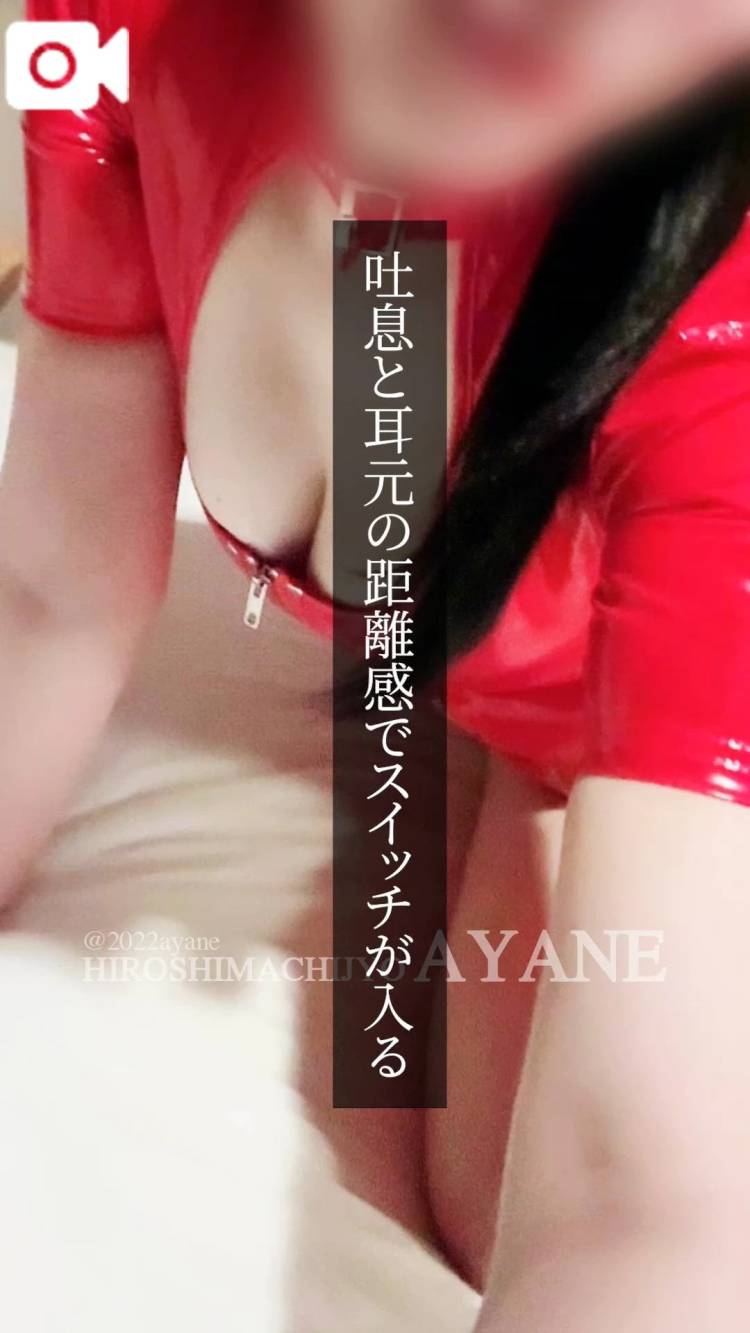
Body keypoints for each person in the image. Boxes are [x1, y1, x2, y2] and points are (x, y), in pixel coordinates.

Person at [2, 0, 750, 1325]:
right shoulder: (102, 31)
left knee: (508, 1198)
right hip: (513, 699)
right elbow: (53, 583)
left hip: (647, 720)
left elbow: (632, 1197)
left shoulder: (718, 329)